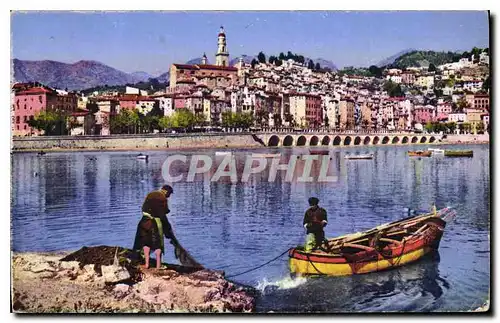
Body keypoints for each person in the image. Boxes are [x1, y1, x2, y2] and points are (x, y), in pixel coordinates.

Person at [133, 185, 175, 269]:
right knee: (158, 245)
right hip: (154, 223)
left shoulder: (150, 194)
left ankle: (147, 264)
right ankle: (158, 266)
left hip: (144, 222)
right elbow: (162, 215)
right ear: (166, 192)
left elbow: (144, 208)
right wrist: (168, 229)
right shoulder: (162, 198)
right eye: (169, 194)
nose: (169, 197)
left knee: (146, 243)